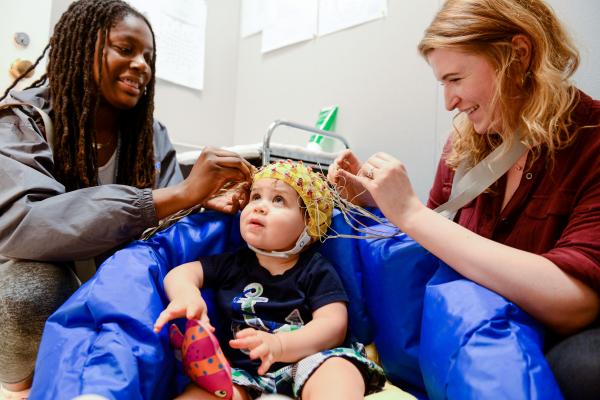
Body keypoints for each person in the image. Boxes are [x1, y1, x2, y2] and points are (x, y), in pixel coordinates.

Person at [328, 0, 599, 399]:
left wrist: (411, 212)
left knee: (584, 370)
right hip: (479, 333)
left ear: (518, 55)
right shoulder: (465, 146)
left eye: (456, 78)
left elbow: (576, 305)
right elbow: (441, 238)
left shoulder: (591, 140)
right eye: (443, 83)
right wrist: (380, 204)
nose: (449, 102)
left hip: (557, 337)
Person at [0, 0, 253, 397]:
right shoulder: (21, 119)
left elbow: (166, 233)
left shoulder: (150, 135)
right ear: (80, 46)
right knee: (33, 289)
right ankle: (24, 387)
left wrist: (200, 205)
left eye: (149, 57)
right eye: (126, 49)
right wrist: (175, 195)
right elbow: (26, 223)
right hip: (44, 279)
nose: (142, 66)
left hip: (115, 277)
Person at [153, 160, 385, 400]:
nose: (260, 207)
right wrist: (186, 296)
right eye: (255, 197)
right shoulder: (232, 263)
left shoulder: (315, 269)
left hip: (306, 363)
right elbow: (181, 273)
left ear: (310, 225)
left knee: (339, 371)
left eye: (278, 200)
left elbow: (333, 326)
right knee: (202, 393)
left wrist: (281, 346)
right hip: (241, 374)